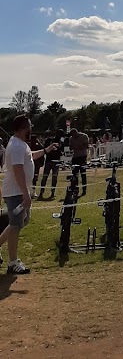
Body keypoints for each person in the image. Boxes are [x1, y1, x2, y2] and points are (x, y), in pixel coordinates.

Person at [0, 115, 58, 274]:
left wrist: (46, 150)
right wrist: (26, 195)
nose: (31, 127)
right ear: (24, 127)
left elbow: (30, 156)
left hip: (19, 191)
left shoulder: (20, 144)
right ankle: (12, 262)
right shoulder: (17, 146)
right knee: (15, 225)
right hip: (16, 193)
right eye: (30, 125)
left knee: (21, 221)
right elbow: (18, 171)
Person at [38, 130, 64, 199]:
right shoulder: (49, 140)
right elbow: (46, 149)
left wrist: (58, 150)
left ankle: (52, 193)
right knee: (45, 177)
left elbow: (61, 151)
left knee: (54, 178)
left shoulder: (61, 142)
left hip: (56, 161)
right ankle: (41, 193)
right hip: (49, 161)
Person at [68, 127, 89, 196]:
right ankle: (75, 189)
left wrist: (77, 147)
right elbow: (71, 147)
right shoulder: (71, 139)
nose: (73, 136)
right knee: (74, 174)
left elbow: (86, 146)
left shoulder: (84, 136)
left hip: (82, 157)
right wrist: (77, 147)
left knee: (83, 173)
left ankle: (84, 189)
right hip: (75, 157)